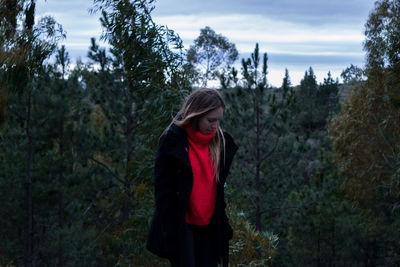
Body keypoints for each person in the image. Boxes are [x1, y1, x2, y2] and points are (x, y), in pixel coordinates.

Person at [146, 88, 238, 267]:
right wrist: (169, 230)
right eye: (210, 120)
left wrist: (223, 222)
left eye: (218, 120)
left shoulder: (220, 143)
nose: (215, 125)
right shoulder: (172, 141)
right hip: (182, 226)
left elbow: (217, 191)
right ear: (196, 115)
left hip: (209, 226)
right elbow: (163, 193)